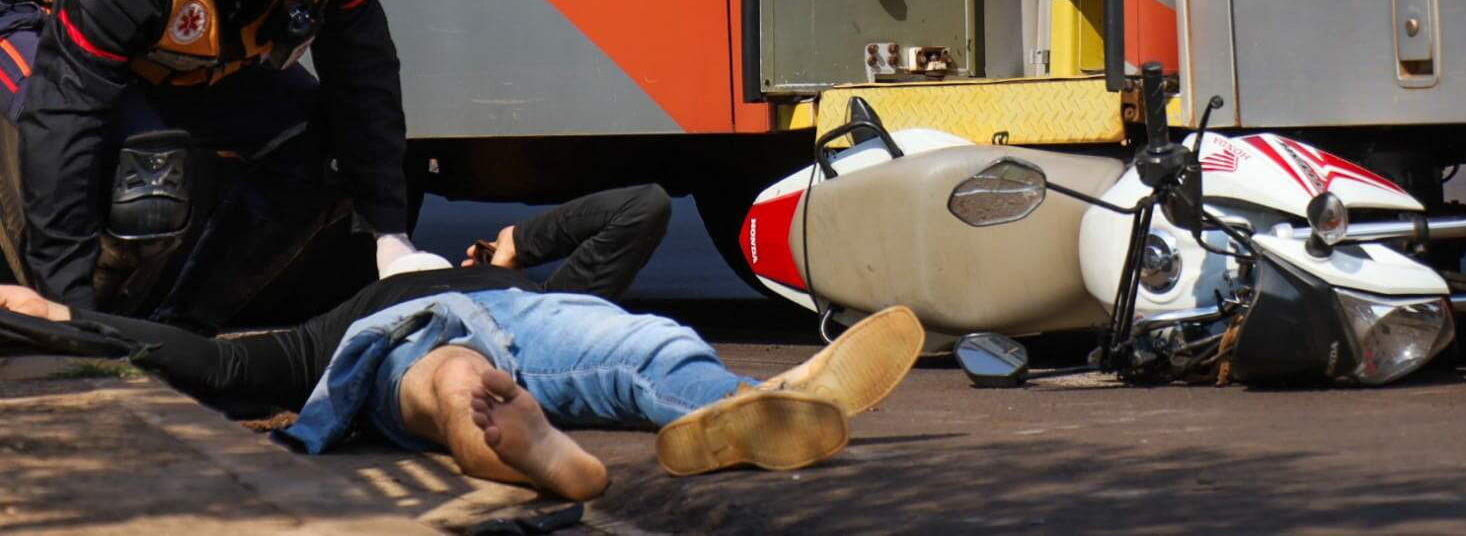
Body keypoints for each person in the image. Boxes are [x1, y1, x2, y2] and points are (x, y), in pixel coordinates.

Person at [0, 0, 414, 325]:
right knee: (145, 173)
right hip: (28, 21)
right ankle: (85, 323)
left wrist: (390, 234)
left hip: (159, 60)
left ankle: (183, 330)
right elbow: (65, 110)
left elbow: (364, 77)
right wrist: (68, 309)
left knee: (328, 151)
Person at [0, 272, 926, 500]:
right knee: (630, 351)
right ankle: (526, 443)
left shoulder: (523, 267)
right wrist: (51, 316)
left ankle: (755, 397)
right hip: (412, 336)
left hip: (512, 317)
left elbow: (634, 210)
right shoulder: (300, 340)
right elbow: (212, 365)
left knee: (644, 348)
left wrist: (521, 244)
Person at [458, 184, 673, 299]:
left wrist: (517, 246)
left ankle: (513, 245)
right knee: (648, 205)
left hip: (482, 306)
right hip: (529, 326)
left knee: (648, 204)